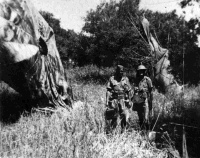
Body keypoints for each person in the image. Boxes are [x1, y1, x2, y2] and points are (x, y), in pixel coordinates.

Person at [105, 65, 133, 130]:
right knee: (114, 116)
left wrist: (129, 100)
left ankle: (123, 131)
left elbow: (129, 91)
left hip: (123, 100)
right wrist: (107, 101)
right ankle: (112, 131)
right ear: (117, 71)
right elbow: (108, 91)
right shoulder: (112, 79)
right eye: (120, 71)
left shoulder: (126, 79)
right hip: (114, 100)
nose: (121, 73)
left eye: (122, 71)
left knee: (124, 115)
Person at [132, 64, 153, 130]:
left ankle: (147, 132)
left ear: (144, 71)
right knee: (140, 117)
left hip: (145, 100)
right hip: (138, 100)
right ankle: (141, 131)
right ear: (138, 72)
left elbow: (151, 91)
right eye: (139, 71)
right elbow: (134, 91)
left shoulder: (147, 80)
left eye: (142, 71)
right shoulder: (136, 80)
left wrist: (151, 102)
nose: (141, 72)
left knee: (146, 118)